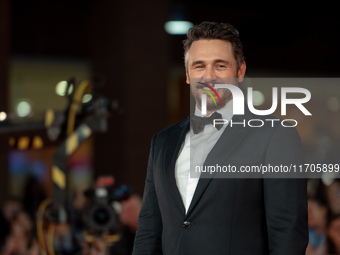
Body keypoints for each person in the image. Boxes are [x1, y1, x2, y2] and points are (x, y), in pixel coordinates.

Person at [133, 21, 308, 255]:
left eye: (220, 65)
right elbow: (148, 229)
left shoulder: (275, 134)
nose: (209, 76)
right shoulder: (162, 142)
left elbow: (287, 233)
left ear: (240, 72)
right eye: (199, 66)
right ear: (187, 75)